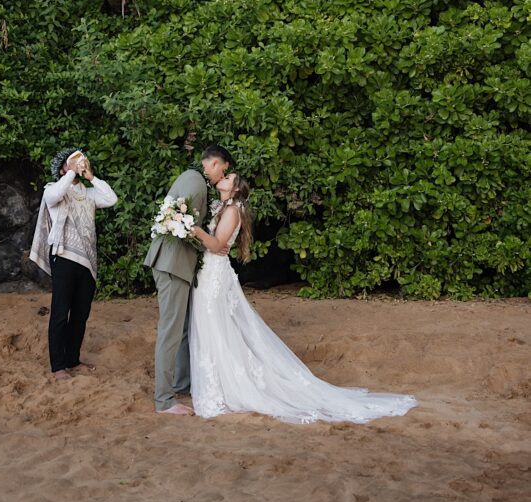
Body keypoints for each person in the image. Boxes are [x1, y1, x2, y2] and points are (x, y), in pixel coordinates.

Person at [189, 172, 418, 424]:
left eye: (228, 177)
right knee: (217, 327)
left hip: (214, 275)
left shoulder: (232, 210)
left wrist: (195, 230)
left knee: (217, 327)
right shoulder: (224, 207)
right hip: (211, 273)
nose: (222, 176)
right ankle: (219, 381)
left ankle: (226, 386)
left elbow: (216, 243)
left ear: (234, 189)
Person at [144, 144, 232, 415]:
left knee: (180, 329)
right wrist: (212, 244)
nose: (222, 177)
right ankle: (164, 400)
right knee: (171, 330)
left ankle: (181, 384)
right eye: (223, 171)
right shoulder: (196, 182)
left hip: (177, 265)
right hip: (172, 264)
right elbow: (180, 223)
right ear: (215, 164)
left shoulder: (191, 178)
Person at [30, 147, 117, 381]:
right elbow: (53, 197)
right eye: (72, 163)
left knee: (80, 313)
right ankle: (58, 365)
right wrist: (69, 171)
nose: (78, 166)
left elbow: (111, 199)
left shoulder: (88, 194)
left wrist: (91, 177)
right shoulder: (53, 189)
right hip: (64, 257)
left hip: (87, 261)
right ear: (62, 169)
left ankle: (73, 360)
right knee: (60, 312)